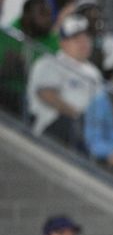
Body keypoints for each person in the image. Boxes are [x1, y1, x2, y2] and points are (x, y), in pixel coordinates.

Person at [26, 13, 103, 148]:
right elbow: (46, 94)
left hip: (84, 130)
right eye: (76, 39)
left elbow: (100, 105)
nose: (83, 42)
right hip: (53, 124)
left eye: (86, 37)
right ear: (63, 43)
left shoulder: (94, 73)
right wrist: (77, 115)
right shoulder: (50, 62)